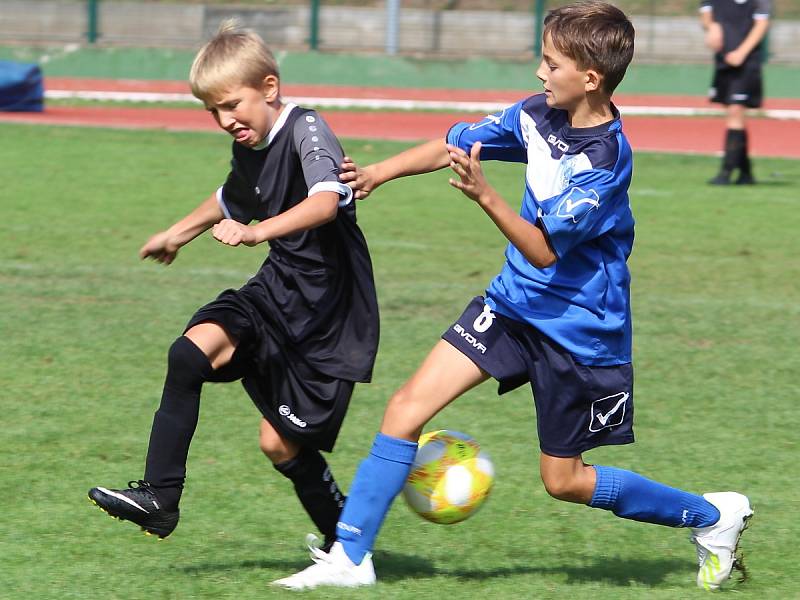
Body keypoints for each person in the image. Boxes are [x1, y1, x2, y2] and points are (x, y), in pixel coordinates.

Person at [273, 1, 752, 592]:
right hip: (511, 305)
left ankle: (711, 517)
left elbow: (545, 250)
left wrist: (487, 197)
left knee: (564, 481)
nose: (539, 73)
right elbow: (454, 145)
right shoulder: (536, 116)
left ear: (590, 78)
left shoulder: (605, 162)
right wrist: (379, 172)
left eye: (551, 64)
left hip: (580, 332)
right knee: (405, 408)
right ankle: (351, 557)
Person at [87, 20, 379, 552]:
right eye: (212, 111)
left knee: (280, 444)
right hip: (277, 290)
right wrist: (177, 233)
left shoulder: (308, 129)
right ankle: (160, 497)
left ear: (269, 88)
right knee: (188, 354)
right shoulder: (250, 143)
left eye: (233, 105)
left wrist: (257, 231)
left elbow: (326, 200)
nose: (225, 121)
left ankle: (348, 544)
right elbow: (232, 197)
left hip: (328, 314)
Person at [700, 0, 771, 185]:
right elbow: (706, 15)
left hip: (747, 63)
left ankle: (726, 171)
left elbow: (762, 24)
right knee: (733, 113)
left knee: (735, 111)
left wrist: (742, 52)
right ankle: (746, 173)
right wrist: (712, 26)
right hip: (724, 61)